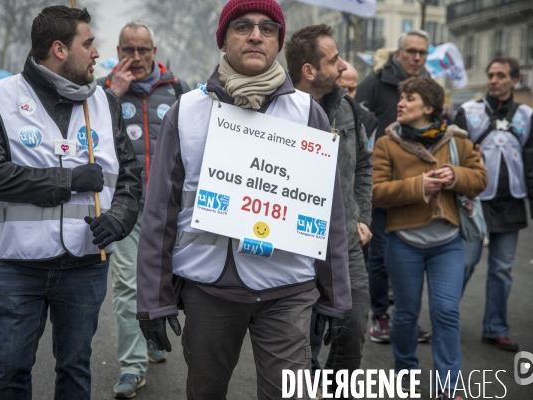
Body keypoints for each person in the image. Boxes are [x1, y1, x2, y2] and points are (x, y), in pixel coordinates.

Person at [136, 1, 352, 398]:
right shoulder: (187, 111)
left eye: (268, 29)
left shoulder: (308, 113)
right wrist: (154, 298)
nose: (256, 35)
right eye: (243, 26)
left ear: (279, 42)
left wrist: (336, 298)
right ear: (223, 39)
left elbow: (331, 214)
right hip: (208, 290)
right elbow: (159, 213)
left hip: (288, 289)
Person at [0, 6, 142, 399]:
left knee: (75, 370)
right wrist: (66, 180)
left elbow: (130, 177)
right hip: (17, 267)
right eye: (89, 43)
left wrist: (118, 219)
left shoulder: (105, 103)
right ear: (60, 49)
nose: (97, 53)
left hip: (85, 267)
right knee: (10, 372)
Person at [372, 77, 487, 400]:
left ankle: (449, 385)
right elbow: (377, 192)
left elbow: (479, 180)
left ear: (430, 108)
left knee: (446, 311)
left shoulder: (458, 140)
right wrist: (418, 185)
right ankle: (405, 374)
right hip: (403, 243)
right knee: (407, 313)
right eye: (401, 97)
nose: (401, 103)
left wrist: (456, 176)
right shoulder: (387, 142)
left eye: (410, 98)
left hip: (447, 243)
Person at [98, 22, 190, 399]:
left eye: (143, 50)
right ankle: (132, 368)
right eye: (128, 50)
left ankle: (153, 335)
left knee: (170, 281)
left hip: (172, 208)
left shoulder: (178, 90)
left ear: (155, 51)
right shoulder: (101, 95)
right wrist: (112, 96)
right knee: (126, 286)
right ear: (118, 52)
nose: (135, 58)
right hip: (127, 206)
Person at [285, 24, 372, 394]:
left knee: (352, 333)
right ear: (310, 71)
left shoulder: (348, 108)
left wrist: (362, 216)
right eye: (333, 60)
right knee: (301, 344)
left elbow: (364, 165)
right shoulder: (278, 111)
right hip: (296, 244)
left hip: (347, 244)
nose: (342, 66)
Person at [454, 57, 533, 352]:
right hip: (473, 202)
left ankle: (495, 328)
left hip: (512, 203)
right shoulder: (468, 111)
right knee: (464, 264)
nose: (493, 80)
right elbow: (454, 158)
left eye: (500, 75)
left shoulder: (528, 115)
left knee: (502, 269)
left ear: (515, 79)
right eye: (491, 74)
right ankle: (447, 320)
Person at [356, 30, 432, 343]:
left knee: (409, 258)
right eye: (411, 51)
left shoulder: (429, 87)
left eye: (422, 53)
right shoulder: (375, 83)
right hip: (381, 183)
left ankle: (404, 317)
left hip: (416, 188)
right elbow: (355, 123)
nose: (417, 57)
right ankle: (381, 316)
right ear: (398, 53)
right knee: (381, 257)